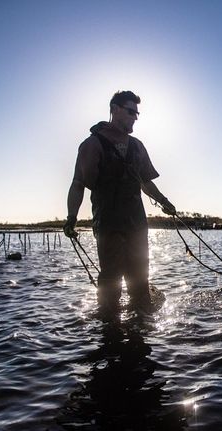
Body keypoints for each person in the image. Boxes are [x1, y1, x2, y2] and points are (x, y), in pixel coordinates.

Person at [64, 90, 176, 310]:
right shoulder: (92, 144)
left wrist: (165, 202)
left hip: (137, 224)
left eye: (137, 113)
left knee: (140, 282)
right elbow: (78, 184)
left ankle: (141, 330)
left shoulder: (137, 146)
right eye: (130, 111)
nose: (135, 117)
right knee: (110, 283)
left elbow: (146, 182)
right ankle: (109, 330)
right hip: (108, 224)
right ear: (114, 110)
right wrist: (71, 218)